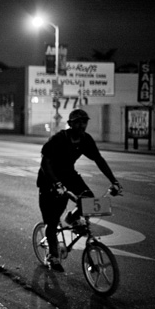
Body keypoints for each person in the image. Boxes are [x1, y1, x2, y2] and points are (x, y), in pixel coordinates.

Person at [36, 109, 122, 272]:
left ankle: (72, 218)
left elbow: (99, 160)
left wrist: (114, 181)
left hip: (68, 174)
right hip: (49, 179)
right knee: (52, 221)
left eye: (84, 122)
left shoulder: (85, 140)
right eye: (77, 122)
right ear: (70, 124)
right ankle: (52, 256)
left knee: (88, 198)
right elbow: (45, 162)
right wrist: (56, 184)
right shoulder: (59, 139)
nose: (81, 125)